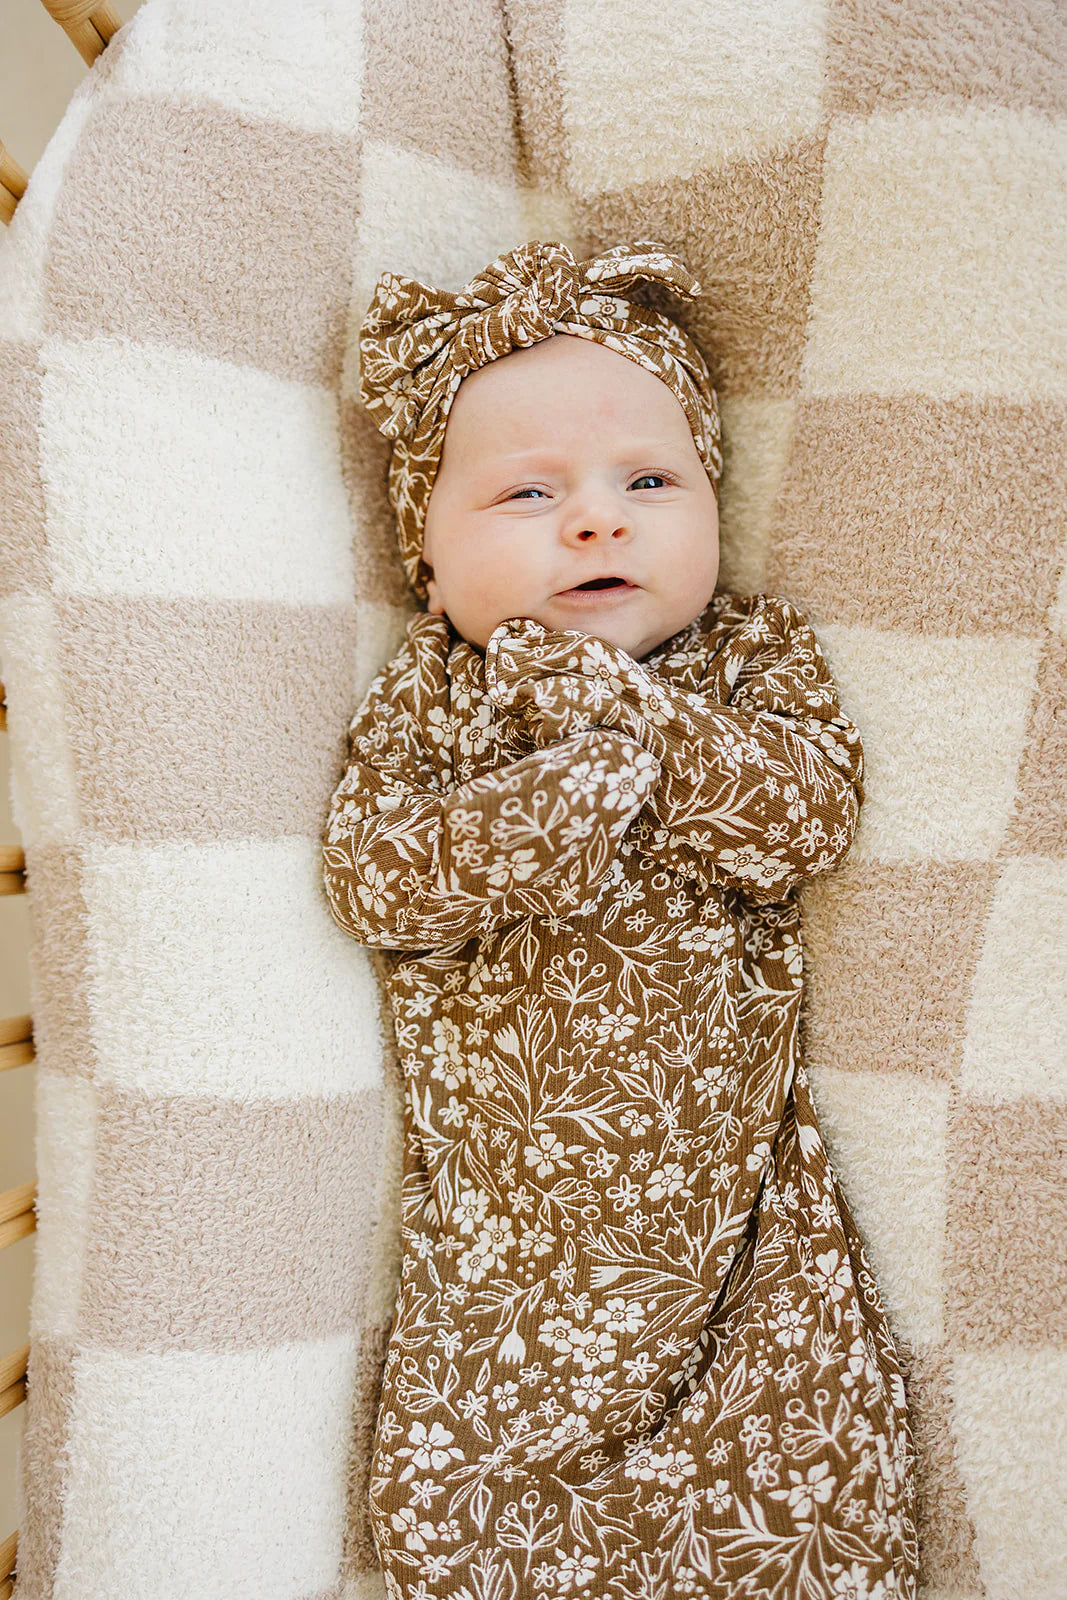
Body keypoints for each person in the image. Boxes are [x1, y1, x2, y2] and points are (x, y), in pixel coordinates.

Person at [322, 239, 917, 1600]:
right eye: (527, 493)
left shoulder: (749, 659)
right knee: (463, 1502)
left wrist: (641, 725)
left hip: (738, 1225)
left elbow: (808, 819)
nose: (597, 521)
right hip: (508, 1241)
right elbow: (374, 881)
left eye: (650, 482)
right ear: (426, 558)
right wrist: (547, 804)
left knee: (802, 1467)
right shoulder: (434, 695)